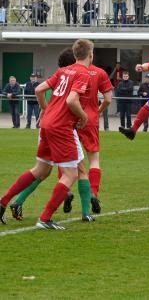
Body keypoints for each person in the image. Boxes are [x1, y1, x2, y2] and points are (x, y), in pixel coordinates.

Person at [8, 47, 113, 222]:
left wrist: (45, 109)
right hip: (80, 121)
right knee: (86, 164)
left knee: (49, 169)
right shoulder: (96, 72)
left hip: (59, 122)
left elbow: (45, 91)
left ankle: (21, 200)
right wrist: (95, 112)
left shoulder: (64, 73)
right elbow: (107, 99)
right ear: (89, 55)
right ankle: (89, 201)